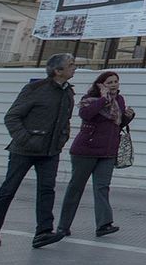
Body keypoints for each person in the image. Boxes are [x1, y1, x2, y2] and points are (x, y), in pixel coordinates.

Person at [0, 53, 77, 248]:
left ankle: (43, 232)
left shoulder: (68, 92)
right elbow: (12, 117)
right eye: (70, 65)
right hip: (24, 150)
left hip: (50, 151)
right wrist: (26, 139)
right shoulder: (35, 89)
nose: (74, 67)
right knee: (8, 190)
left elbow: (65, 120)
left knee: (46, 190)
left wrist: (62, 139)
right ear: (57, 71)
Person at [56, 70, 134, 238]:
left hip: (107, 151)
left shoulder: (119, 100)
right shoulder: (89, 100)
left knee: (102, 188)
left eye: (116, 82)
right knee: (75, 188)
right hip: (86, 150)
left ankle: (104, 224)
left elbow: (116, 125)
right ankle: (63, 225)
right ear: (101, 85)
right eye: (109, 82)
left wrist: (128, 117)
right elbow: (86, 114)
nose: (114, 85)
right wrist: (103, 99)